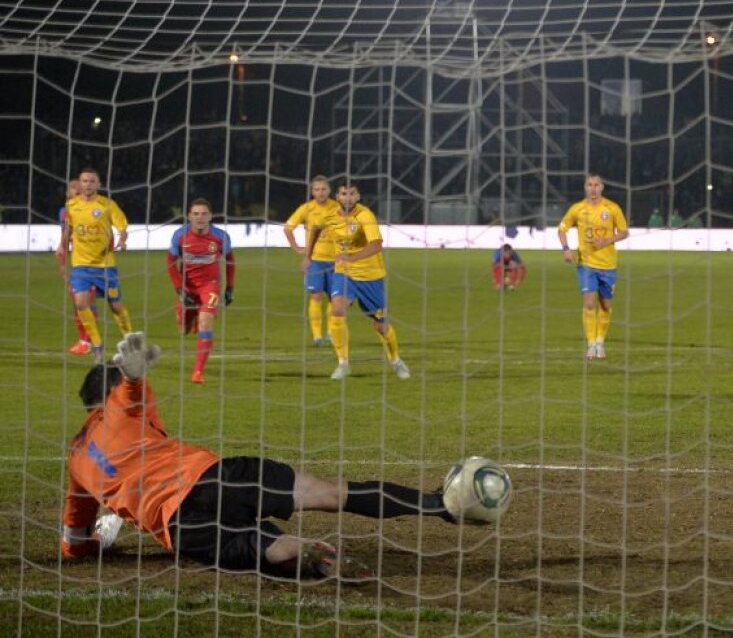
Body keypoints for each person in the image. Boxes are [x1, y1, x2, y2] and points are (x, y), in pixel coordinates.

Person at [60, 333, 458, 580]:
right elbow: (129, 396)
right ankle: (439, 504)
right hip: (216, 475)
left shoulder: (77, 459)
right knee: (332, 493)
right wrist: (132, 377)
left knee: (269, 548)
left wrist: (98, 542)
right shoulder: (122, 406)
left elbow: (73, 543)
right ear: (109, 394)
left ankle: (309, 552)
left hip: (180, 524)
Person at [308, 181, 410, 381]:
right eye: (343, 193)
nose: (347, 198)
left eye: (352, 194)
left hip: (371, 276)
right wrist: (308, 255)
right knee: (337, 310)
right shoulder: (330, 215)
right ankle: (343, 363)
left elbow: (376, 244)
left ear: (358, 196)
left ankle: (396, 360)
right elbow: (315, 228)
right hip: (344, 274)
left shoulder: (365, 215)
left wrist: (351, 257)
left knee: (381, 326)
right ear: (337, 196)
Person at [60, 168, 135, 362]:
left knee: (116, 306)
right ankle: (97, 345)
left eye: (92, 181)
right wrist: (62, 246)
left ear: (99, 184)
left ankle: (130, 340)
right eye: (85, 181)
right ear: (80, 184)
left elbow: (122, 226)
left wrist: (123, 239)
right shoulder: (71, 205)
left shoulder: (107, 205)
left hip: (105, 266)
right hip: (81, 265)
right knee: (80, 304)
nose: (88, 184)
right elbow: (68, 229)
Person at [557, 174, 628, 360]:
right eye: (590, 185)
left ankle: (600, 341)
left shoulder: (612, 208)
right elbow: (562, 229)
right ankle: (591, 345)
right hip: (586, 264)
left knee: (605, 305)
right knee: (589, 303)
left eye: (596, 185)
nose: (593, 188)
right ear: (585, 187)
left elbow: (624, 232)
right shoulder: (577, 209)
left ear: (602, 187)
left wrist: (607, 240)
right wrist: (566, 249)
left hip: (608, 264)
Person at [167, 198, 235, 384]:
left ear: (211, 216)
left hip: (210, 286)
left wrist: (230, 287)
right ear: (189, 216)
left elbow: (230, 261)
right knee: (183, 329)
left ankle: (198, 372)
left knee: (205, 323)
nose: (200, 217)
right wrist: (179, 289)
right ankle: (188, 316)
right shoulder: (179, 235)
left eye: (204, 214)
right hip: (187, 286)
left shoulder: (220, 236)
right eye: (196, 214)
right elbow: (171, 263)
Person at [283, 175, 340, 347]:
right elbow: (288, 228)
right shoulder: (306, 208)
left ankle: (331, 332)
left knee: (335, 298)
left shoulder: (337, 207)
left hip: (336, 260)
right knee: (316, 295)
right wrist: (297, 248)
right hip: (315, 260)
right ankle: (317, 336)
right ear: (312, 191)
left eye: (323, 189)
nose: (320, 192)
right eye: (317, 189)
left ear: (329, 190)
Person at [56, 177, 99, 355]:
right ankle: (86, 340)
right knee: (78, 303)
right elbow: (65, 240)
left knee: (86, 301)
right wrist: (62, 263)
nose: (76, 195)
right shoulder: (66, 212)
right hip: (78, 264)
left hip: (94, 263)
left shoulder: (95, 210)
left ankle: (88, 341)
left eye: (78, 192)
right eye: (73, 193)